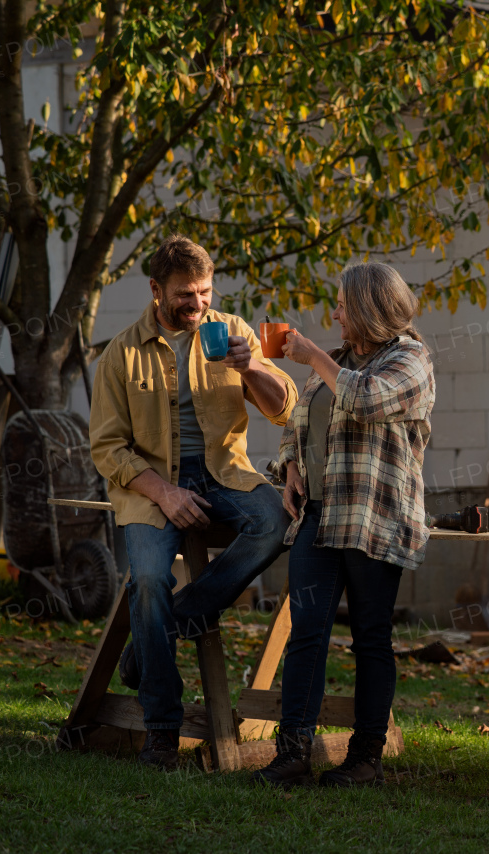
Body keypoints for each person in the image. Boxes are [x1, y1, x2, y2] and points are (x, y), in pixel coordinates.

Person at [90, 235, 296, 770]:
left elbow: (284, 409)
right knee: (150, 581)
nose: (198, 304)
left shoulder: (233, 334)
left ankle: (161, 633)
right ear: (156, 290)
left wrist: (251, 368)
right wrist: (164, 492)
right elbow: (107, 447)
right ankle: (161, 731)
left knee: (273, 522)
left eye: (205, 292)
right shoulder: (122, 352)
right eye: (185, 294)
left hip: (223, 473)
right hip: (152, 486)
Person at [253, 262, 434, 789]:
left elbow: (366, 400)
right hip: (319, 516)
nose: (334, 313)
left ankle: (364, 759)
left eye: (342, 305)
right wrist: (289, 466)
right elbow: (300, 421)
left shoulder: (410, 360)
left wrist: (310, 355)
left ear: (370, 309)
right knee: (306, 634)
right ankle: (292, 754)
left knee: (370, 638)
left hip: (375, 517)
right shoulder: (335, 360)